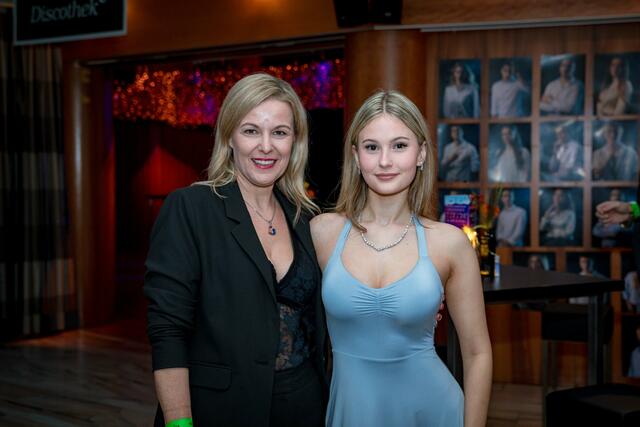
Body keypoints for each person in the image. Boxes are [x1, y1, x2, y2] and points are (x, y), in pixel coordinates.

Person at [144, 73, 327, 427]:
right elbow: (168, 331)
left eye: (279, 132)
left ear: (295, 141)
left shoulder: (306, 219)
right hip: (220, 409)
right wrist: (179, 422)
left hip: (305, 404)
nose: (266, 146)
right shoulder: (191, 208)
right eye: (251, 131)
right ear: (229, 136)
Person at [311, 90, 492, 427]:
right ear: (355, 155)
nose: (385, 161)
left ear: (420, 153)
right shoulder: (322, 232)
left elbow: (477, 353)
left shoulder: (449, 243)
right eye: (371, 147)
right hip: (353, 412)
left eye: (399, 145)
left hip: (433, 411)